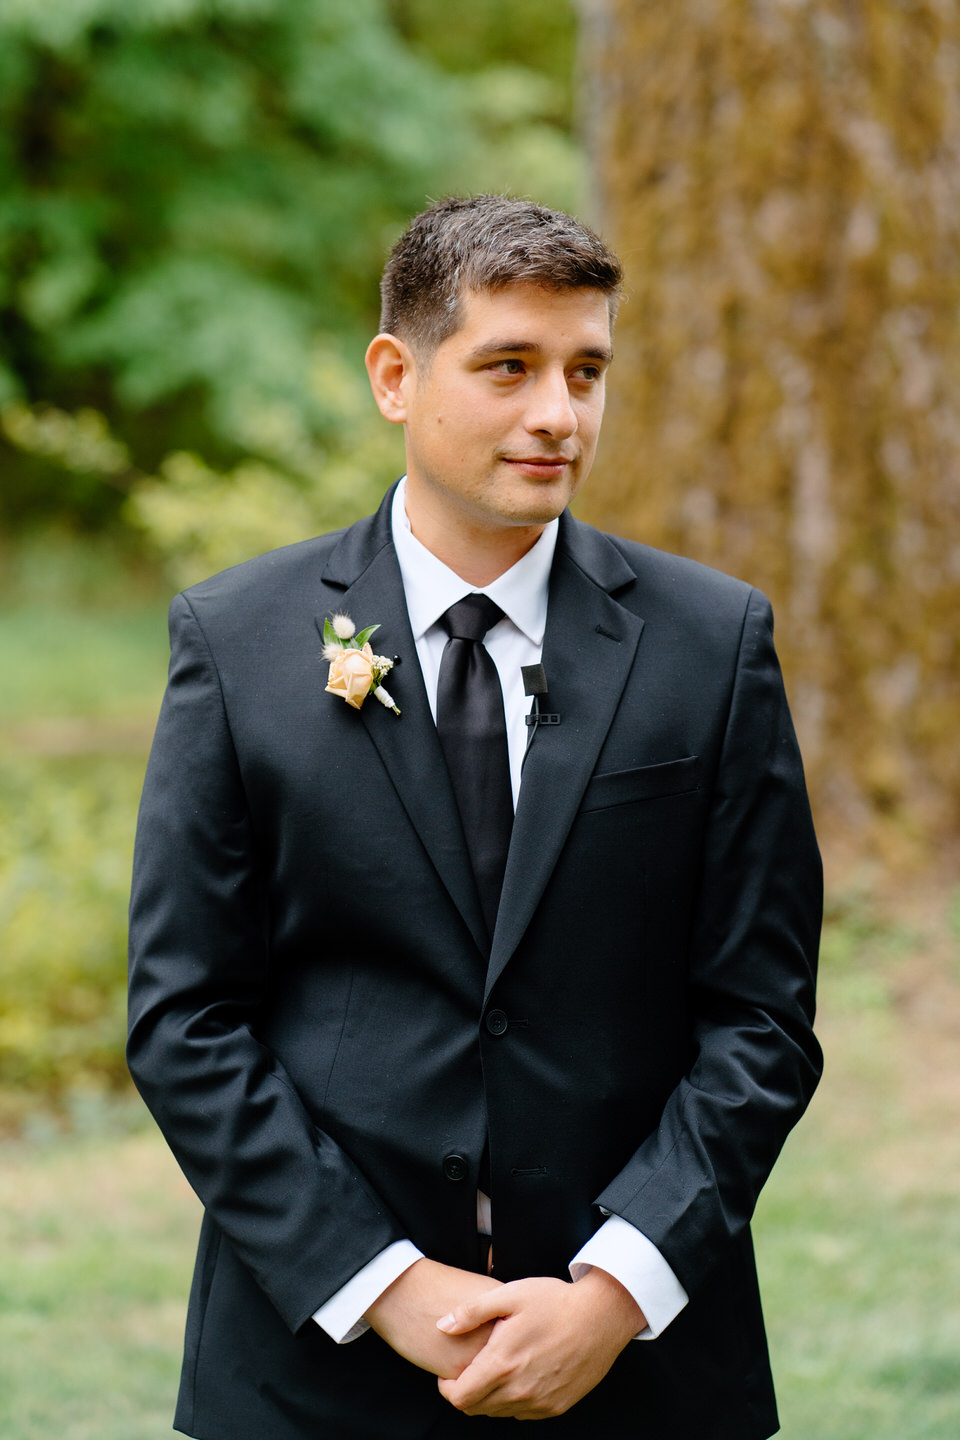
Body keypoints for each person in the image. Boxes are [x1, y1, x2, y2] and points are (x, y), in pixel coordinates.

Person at [127, 194, 822, 1440]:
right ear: (397, 376)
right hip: (314, 1368)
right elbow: (187, 1016)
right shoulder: (237, 643)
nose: (559, 413)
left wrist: (617, 1291)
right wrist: (381, 1285)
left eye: (587, 370)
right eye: (510, 366)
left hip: (646, 1374)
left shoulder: (712, 644)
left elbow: (762, 1017)